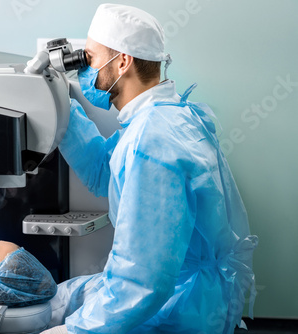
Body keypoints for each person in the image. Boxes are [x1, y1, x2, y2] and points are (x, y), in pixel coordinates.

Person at [42, 4, 258, 334]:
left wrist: (75, 331)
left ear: (123, 61)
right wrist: (57, 104)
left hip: (180, 308)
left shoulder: (151, 140)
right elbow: (104, 171)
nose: (85, 71)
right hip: (190, 293)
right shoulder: (165, 117)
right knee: (62, 298)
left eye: (90, 58)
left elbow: (142, 280)